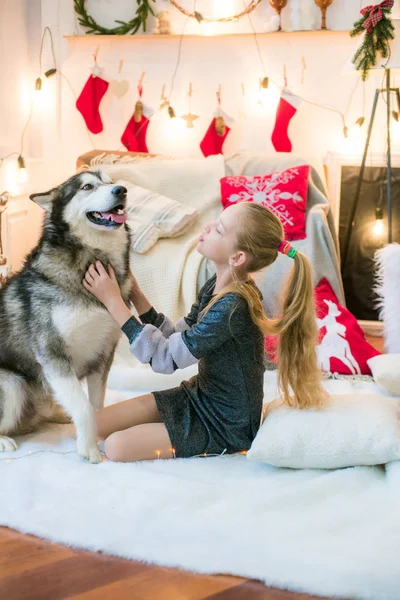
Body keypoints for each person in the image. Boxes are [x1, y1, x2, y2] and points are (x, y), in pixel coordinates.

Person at [83, 202, 326, 463]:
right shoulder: (215, 286)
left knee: (116, 447)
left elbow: (165, 360)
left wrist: (113, 303)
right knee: (93, 426)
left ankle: (210, 441)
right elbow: (175, 337)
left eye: (219, 229)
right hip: (199, 396)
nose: (208, 227)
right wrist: (134, 294)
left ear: (237, 257)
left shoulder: (233, 306)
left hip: (226, 424)